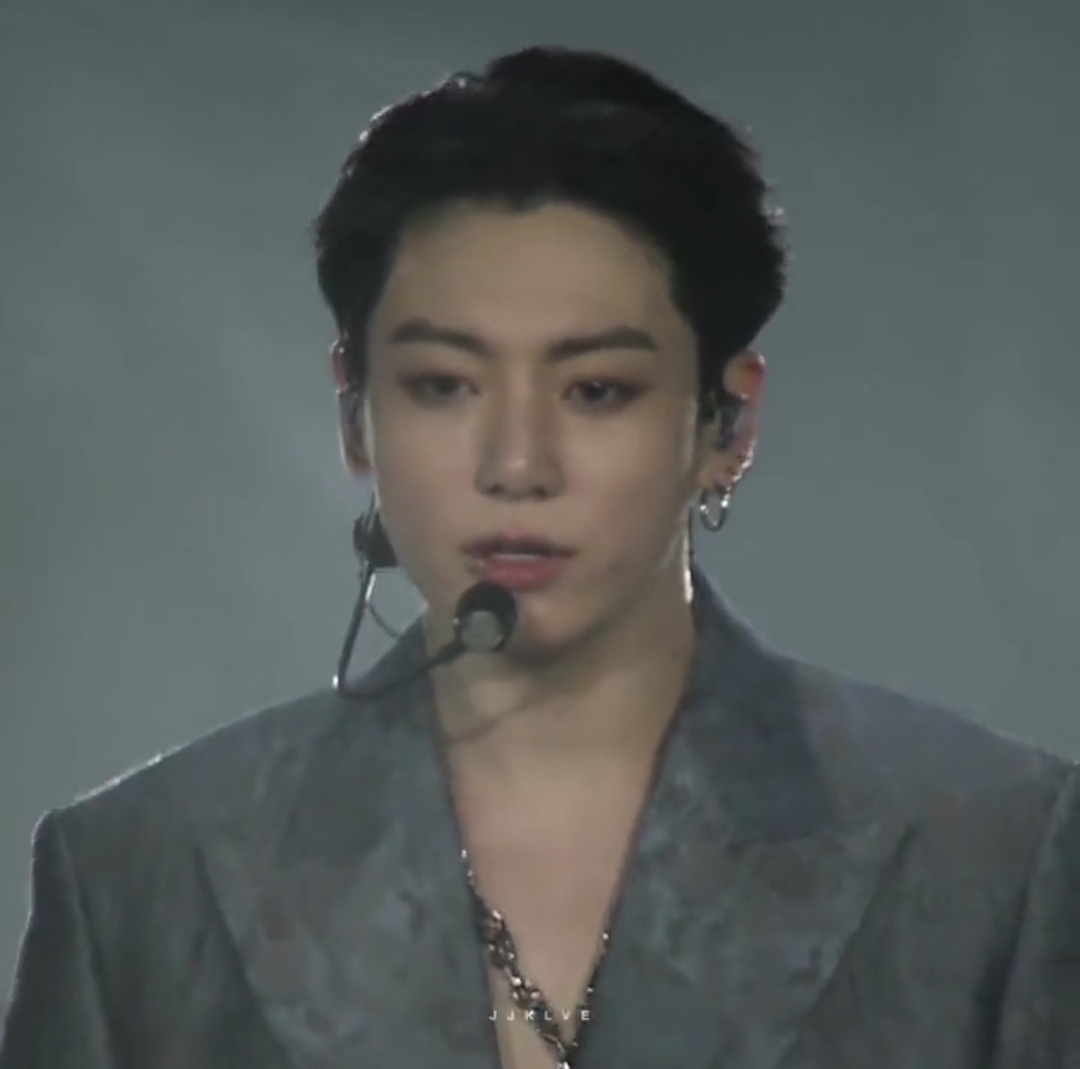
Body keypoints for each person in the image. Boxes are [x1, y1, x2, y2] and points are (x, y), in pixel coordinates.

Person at [1, 44, 1077, 1069]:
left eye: (597, 390)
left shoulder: (990, 849)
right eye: (443, 385)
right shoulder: (142, 873)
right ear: (355, 413)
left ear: (727, 423)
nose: (517, 464)